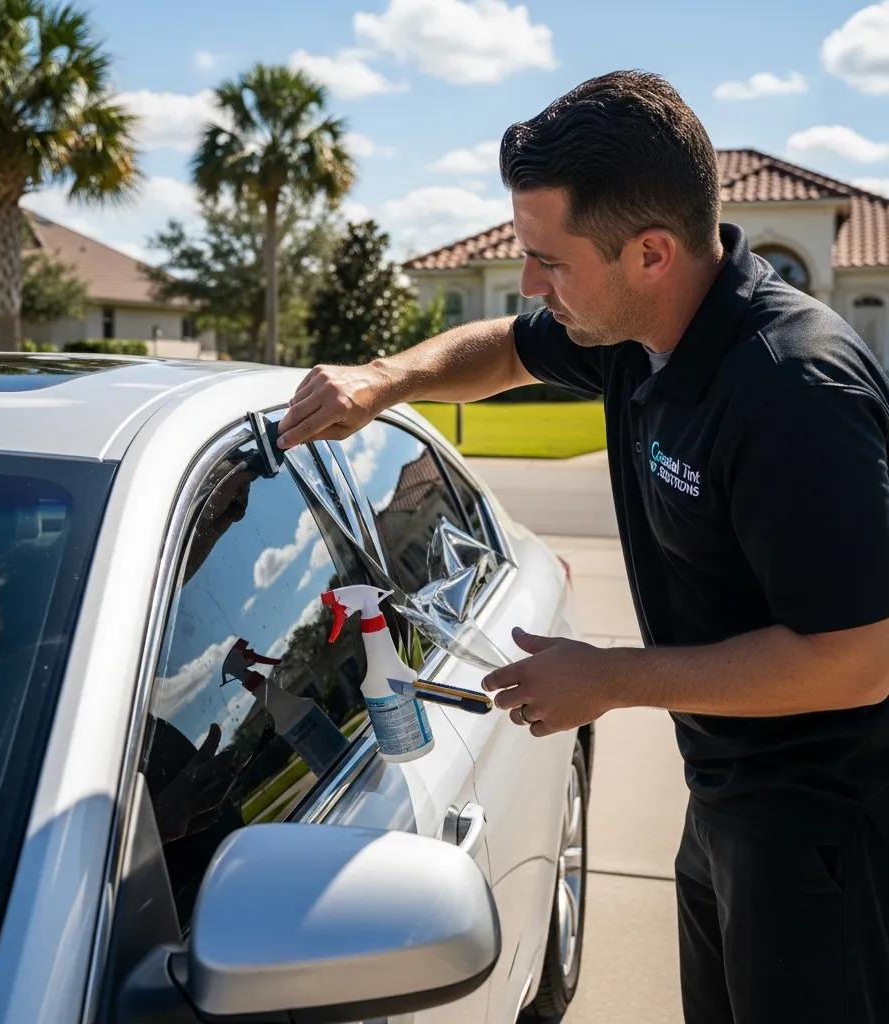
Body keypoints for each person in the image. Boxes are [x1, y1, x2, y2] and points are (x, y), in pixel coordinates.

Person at [276, 70, 889, 1024]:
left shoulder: (792, 390)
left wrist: (610, 679)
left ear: (650, 251)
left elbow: (858, 660)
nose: (530, 282)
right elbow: (507, 349)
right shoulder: (632, 328)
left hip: (831, 832)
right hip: (729, 797)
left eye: (549, 261)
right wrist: (383, 380)